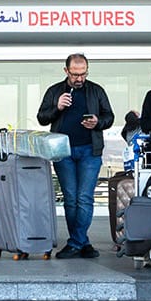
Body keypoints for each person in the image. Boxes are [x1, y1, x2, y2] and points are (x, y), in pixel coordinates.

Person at [36, 53, 114, 259]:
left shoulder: (96, 90)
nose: (79, 78)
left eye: (83, 74)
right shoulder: (55, 91)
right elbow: (42, 118)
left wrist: (97, 122)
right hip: (63, 152)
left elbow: (109, 117)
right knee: (70, 199)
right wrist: (57, 107)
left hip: (90, 150)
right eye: (75, 74)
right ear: (66, 71)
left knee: (84, 197)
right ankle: (83, 242)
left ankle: (75, 243)